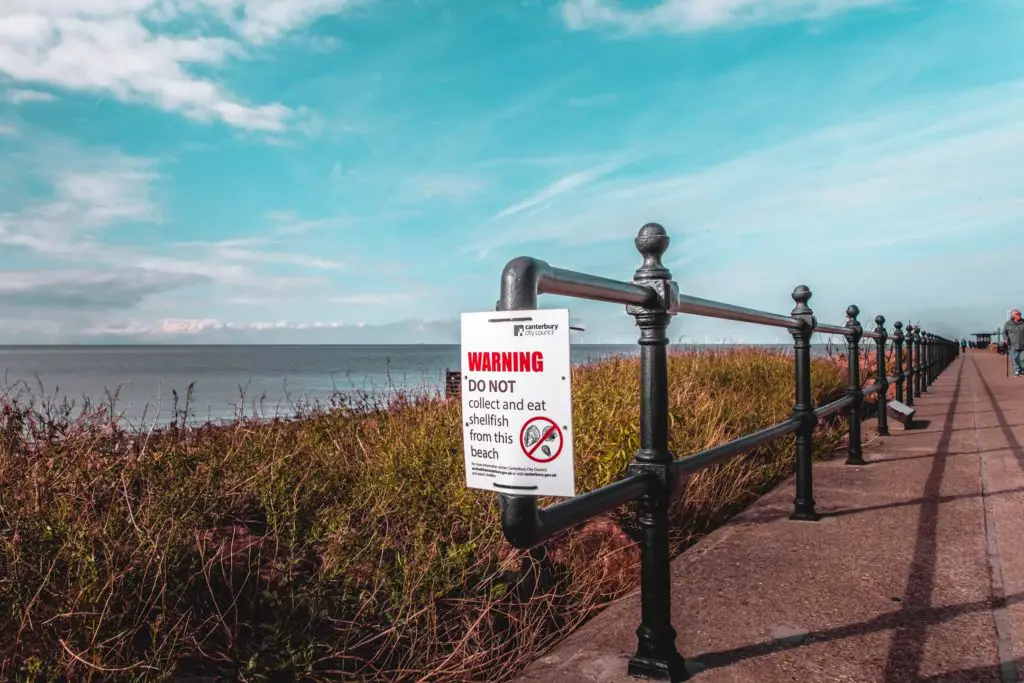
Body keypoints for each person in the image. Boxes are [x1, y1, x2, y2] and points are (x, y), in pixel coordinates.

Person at [1005, 309, 1024, 376]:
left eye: (1020, 314)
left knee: (1022, 358)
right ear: (1013, 316)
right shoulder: (1008, 324)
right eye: (1017, 314)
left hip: (1023, 343)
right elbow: (1004, 332)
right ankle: (1016, 370)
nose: (1019, 315)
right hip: (1013, 344)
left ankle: (1022, 370)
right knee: (1015, 358)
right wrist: (1005, 339)